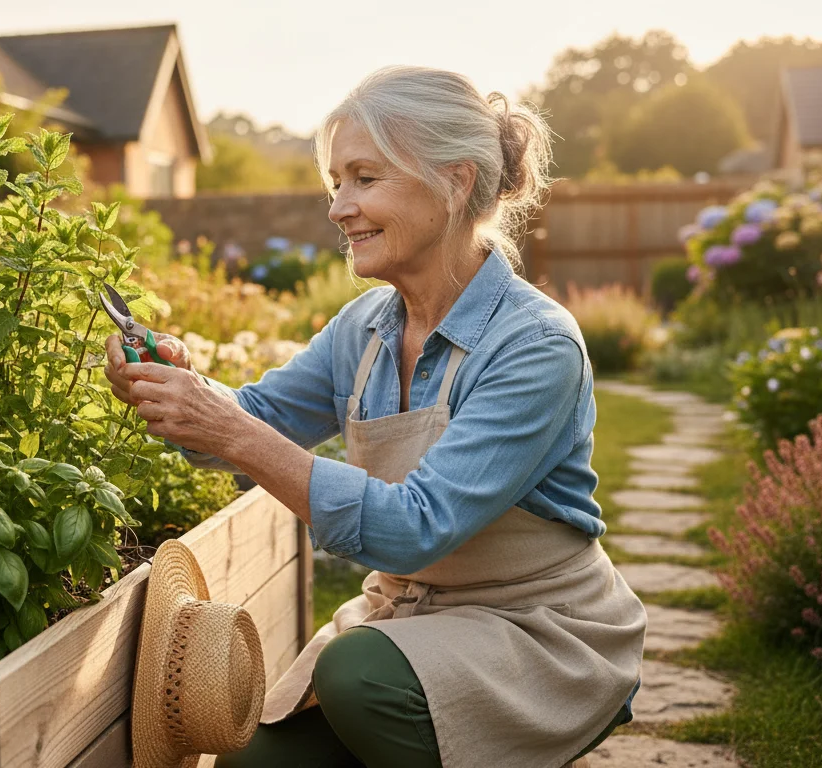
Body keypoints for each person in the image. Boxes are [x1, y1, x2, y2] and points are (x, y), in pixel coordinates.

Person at [104, 65, 646, 768]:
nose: (338, 208)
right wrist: (177, 389)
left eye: (364, 178)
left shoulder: (535, 346)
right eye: (337, 183)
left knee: (354, 676)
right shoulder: (362, 328)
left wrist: (230, 427)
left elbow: (412, 529)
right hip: (413, 622)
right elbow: (252, 422)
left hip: (537, 631)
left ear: (453, 183)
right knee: (248, 761)